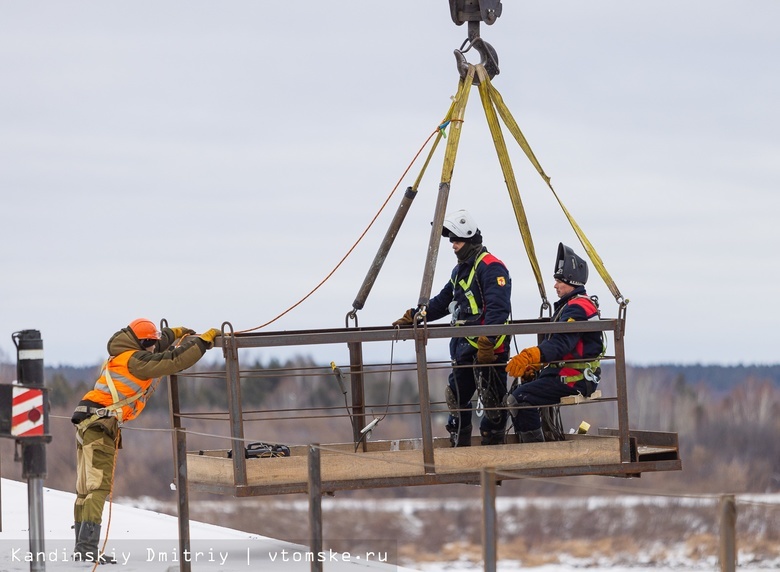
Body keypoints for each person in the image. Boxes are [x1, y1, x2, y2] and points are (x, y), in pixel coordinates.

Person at [70, 319, 220, 563]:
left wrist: (175, 333)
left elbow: (158, 350)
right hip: (99, 427)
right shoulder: (136, 362)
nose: (153, 348)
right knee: (97, 489)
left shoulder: (124, 354)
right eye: (151, 343)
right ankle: (87, 550)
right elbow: (173, 361)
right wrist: (203, 343)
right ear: (143, 343)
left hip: (88, 424)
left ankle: (83, 548)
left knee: (85, 490)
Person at [393, 209, 512, 447]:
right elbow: (444, 300)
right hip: (465, 346)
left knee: (492, 401)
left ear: (469, 239)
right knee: (457, 395)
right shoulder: (461, 270)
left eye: (456, 241)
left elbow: (498, 310)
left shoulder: (491, 267)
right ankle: (461, 445)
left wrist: (487, 342)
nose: (453, 245)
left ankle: (494, 448)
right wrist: (416, 316)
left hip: (488, 348)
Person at [504, 243, 604, 443]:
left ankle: (535, 451)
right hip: (567, 373)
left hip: (575, 378)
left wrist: (531, 355)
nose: (555, 285)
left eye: (559, 281)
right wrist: (537, 365)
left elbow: (561, 345)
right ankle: (534, 444)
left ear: (571, 282)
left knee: (521, 398)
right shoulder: (572, 305)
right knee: (518, 392)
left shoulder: (578, 308)